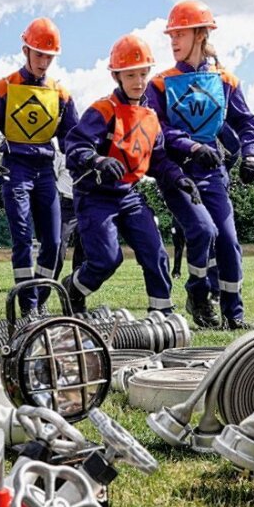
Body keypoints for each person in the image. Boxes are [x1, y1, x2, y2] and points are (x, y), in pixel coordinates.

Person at [147, 0, 254, 330]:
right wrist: (192, 145)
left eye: (180, 34)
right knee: (202, 230)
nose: (173, 41)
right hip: (178, 173)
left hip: (213, 172)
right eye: (171, 35)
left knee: (227, 240)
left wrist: (251, 154)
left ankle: (234, 313)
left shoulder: (225, 80)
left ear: (201, 34)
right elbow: (158, 130)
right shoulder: (159, 84)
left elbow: (248, 124)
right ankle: (199, 294)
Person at [60, 34, 197, 315]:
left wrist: (179, 177)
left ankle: (162, 315)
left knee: (155, 252)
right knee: (107, 260)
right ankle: (73, 288)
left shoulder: (150, 117)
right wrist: (97, 160)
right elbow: (75, 146)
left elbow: (158, 160)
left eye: (143, 74)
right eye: (130, 75)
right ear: (117, 76)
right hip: (95, 196)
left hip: (129, 196)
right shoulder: (102, 110)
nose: (138, 81)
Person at [0, 17, 79, 317]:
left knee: (55, 244)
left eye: (49, 56)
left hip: (46, 170)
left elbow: (74, 139)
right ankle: (27, 308)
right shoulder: (3, 88)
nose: (44, 62)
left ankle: (41, 299)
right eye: (39, 54)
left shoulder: (61, 94)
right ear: (25, 50)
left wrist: (86, 162)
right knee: (22, 239)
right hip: (14, 169)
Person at [51, 148, 85, 283]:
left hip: (85, 203)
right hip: (66, 204)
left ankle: (76, 282)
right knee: (58, 245)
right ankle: (49, 281)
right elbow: (53, 177)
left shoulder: (92, 152)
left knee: (84, 246)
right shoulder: (61, 154)